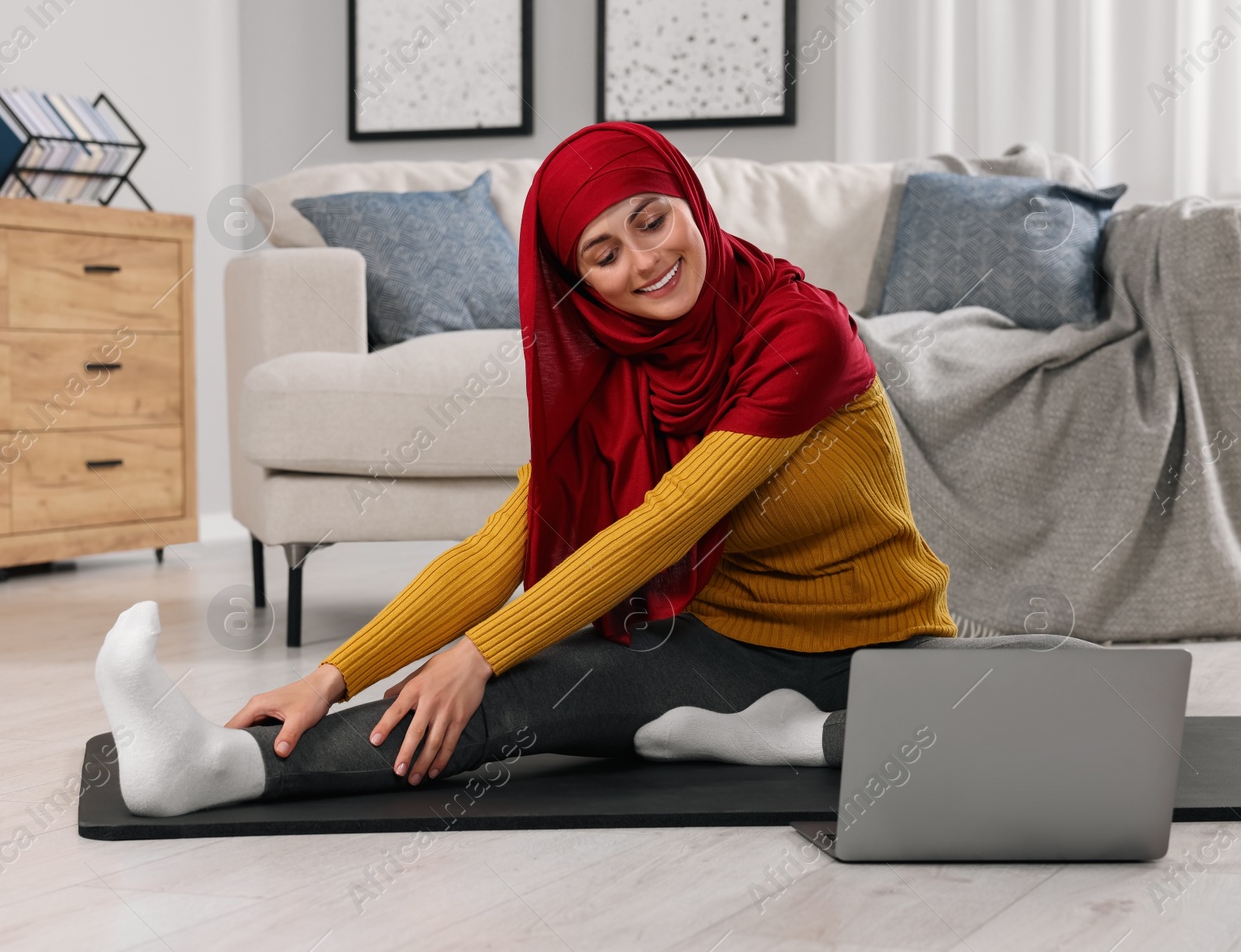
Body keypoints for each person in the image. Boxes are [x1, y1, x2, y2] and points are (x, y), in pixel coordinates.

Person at [94, 122, 1093, 818]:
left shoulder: (801, 329)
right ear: (581, 278)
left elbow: (662, 524)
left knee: (1023, 728)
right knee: (508, 700)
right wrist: (330, 670)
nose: (642, 262)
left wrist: (475, 645)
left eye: (650, 219)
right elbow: (503, 546)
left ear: (688, 201)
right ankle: (208, 767)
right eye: (602, 251)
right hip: (724, 645)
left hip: (878, 651)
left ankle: (782, 734)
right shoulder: (614, 366)